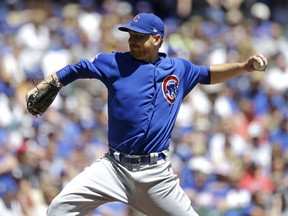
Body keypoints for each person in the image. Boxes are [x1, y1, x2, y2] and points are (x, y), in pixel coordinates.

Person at [25, 12, 268, 216]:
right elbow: (78, 68)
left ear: (157, 39)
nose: (132, 41)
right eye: (131, 35)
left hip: (156, 176)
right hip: (114, 168)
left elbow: (209, 74)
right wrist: (51, 81)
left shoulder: (178, 69)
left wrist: (244, 67)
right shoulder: (114, 63)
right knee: (58, 208)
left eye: (139, 37)